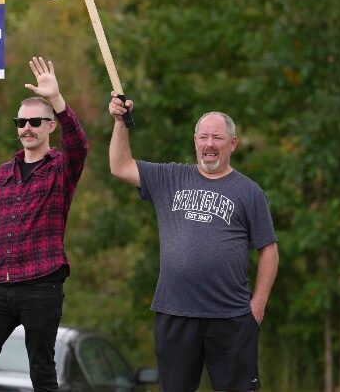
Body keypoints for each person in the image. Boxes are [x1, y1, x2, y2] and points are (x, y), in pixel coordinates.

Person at [107, 93, 278, 392]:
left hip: (231, 317)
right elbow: (120, 166)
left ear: (232, 144)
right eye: (203, 137)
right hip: (175, 313)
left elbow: (269, 249)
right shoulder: (169, 178)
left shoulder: (250, 192)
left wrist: (258, 305)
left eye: (217, 138)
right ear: (195, 141)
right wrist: (120, 122)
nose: (209, 143)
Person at [0, 57, 88, 392]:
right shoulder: (3, 173)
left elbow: (79, 144)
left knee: (42, 373)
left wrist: (57, 100)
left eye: (34, 122)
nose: (26, 128)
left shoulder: (61, 168)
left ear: (49, 126)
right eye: (21, 121)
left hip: (42, 283)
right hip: (0, 283)